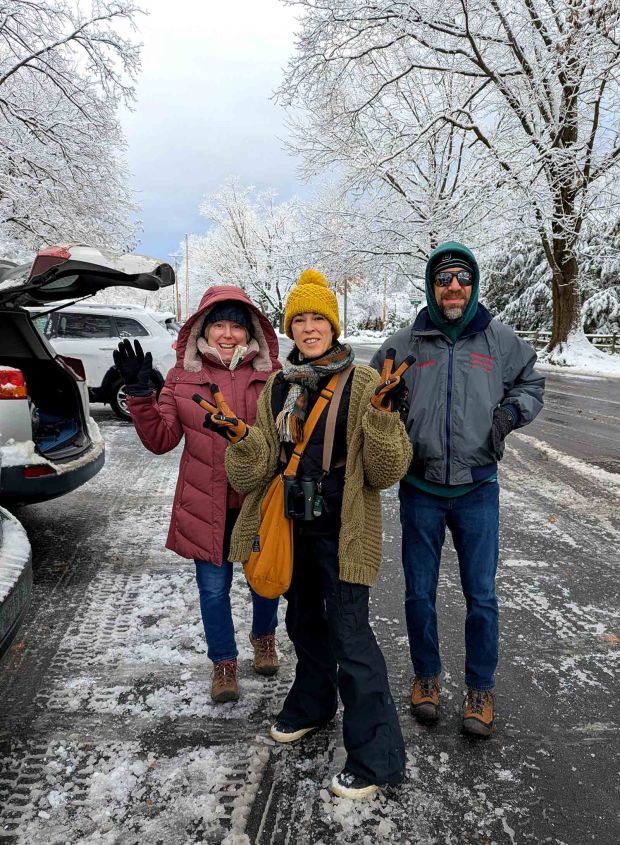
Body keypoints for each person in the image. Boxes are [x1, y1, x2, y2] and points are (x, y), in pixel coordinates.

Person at [208, 269, 413, 800]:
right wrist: (240, 437)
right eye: (299, 319)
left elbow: (386, 471)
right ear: (290, 328)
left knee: (351, 637)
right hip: (292, 527)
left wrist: (384, 419)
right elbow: (256, 472)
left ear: (333, 324)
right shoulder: (279, 385)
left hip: (343, 531)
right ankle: (314, 704)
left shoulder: (364, 383)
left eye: (318, 317)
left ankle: (377, 757)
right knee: (303, 624)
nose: (309, 327)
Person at [371, 242, 545, 737]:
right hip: (420, 487)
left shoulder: (498, 339)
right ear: (432, 285)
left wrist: (509, 415)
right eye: (444, 278)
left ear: (474, 284)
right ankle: (426, 678)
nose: (453, 287)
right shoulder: (404, 342)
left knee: (482, 595)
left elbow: (531, 384)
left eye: (463, 278)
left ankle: (480, 688)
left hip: (477, 489)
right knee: (419, 593)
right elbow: (369, 395)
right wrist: (387, 407)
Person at [113, 286, 281, 703]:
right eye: (218, 325)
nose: (227, 334)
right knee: (213, 588)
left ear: (251, 333)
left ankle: (264, 637)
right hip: (207, 504)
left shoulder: (272, 376)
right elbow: (161, 439)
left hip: (258, 502)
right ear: (203, 330)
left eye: (236, 327)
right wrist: (140, 395)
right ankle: (223, 662)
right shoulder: (183, 376)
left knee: (266, 581)